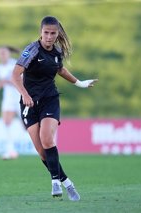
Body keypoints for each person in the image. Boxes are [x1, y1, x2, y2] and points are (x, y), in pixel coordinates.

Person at [11, 16, 98, 201]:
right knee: (42, 152)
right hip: (29, 103)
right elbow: (15, 74)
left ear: (57, 34)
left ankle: (55, 182)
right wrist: (25, 95)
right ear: (40, 32)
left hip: (49, 99)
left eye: (53, 33)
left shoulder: (57, 51)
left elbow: (60, 70)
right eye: (46, 33)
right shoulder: (32, 50)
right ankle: (68, 183)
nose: (49, 37)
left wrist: (79, 83)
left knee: (47, 140)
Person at [0, 45, 22, 160]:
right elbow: (2, 80)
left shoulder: (15, 64)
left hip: (19, 97)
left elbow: (20, 80)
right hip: (8, 98)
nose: (2, 55)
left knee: (27, 125)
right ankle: (11, 151)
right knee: (6, 123)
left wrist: (7, 81)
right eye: (0, 53)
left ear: (9, 54)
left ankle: (43, 147)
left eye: (4, 53)